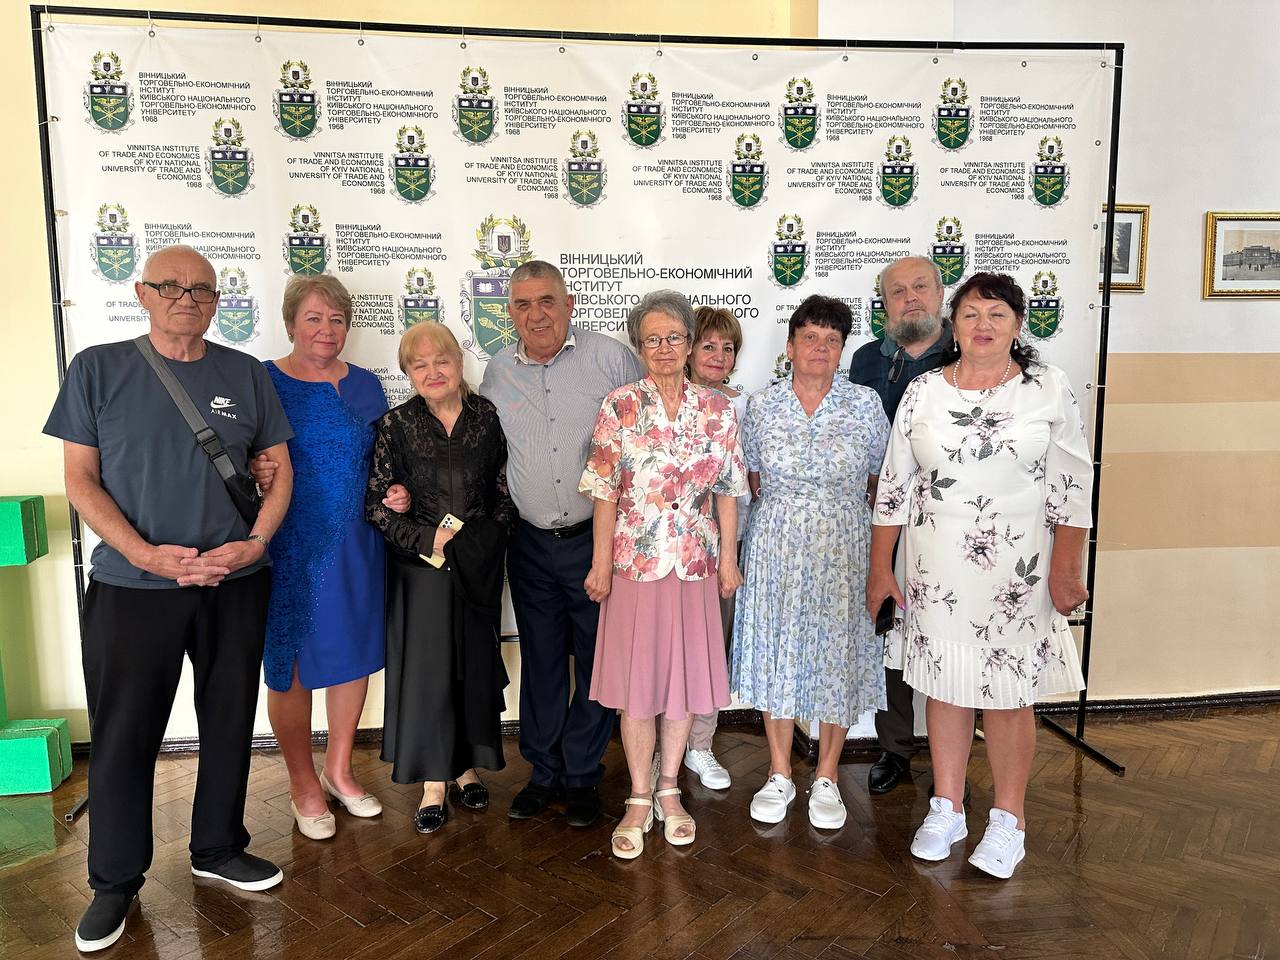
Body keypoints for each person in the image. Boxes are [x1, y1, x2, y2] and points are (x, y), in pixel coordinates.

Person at [43, 245, 293, 953]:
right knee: (125, 735)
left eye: (202, 289)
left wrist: (255, 544)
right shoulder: (97, 368)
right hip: (134, 587)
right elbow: (80, 480)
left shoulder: (245, 374)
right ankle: (114, 882)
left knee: (229, 720)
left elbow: (280, 471)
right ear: (142, 293)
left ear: (217, 301)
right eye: (171, 287)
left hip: (232, 583)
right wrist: (143, 554)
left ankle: (218, 847)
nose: (187, 298)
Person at [867, 272, 1091, 879]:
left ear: (1018, 324)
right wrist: (880, 570)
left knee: (1008, 696)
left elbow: (1073, 487)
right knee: (945, 687)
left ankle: (1008, 820)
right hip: (934, 572)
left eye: (997, 314)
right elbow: (895, 486)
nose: (983, 325)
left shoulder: (1048, 389)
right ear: (953, 324)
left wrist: (1067, 570)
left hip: (1017, 575)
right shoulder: (922, 392)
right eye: (970, 314)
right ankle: (947, 807)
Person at [581, 290, 746, 858]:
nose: (664, 347)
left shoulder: (718, 409)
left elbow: (728, 490)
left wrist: (729, 561)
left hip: (695, 565)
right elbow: (604, 492)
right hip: (634, 566)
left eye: (674, 337)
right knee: (638, 686)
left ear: (691, 343)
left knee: (682, 684)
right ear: (638, 346)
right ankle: (638, 795)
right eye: (652, 339)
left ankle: (670, 789)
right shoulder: (619, 405)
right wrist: (600, 564)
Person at [479, 260, 642, 827]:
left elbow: (643, 442)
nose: (536, 315)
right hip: (528, 543)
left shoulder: (611, 359)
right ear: (509, 313)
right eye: (523, 304)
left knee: (596, 660)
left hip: (595, 541)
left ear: (569, 304)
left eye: (546, 301)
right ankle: (543, 771)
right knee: (543, 659)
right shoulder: (498, 371)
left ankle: (581, 774)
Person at [248, 275, 409, 840]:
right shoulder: (262, 380)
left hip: (359, 544)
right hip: (289, 544)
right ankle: (303, 783)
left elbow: (385, 463)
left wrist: (397, 493)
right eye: (313, 318)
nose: (326, 329)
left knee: (352, 656)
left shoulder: (366, 384)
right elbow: (239, 452)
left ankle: (339, 771)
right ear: (291, 323)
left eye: (336, 319)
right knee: (290, 666)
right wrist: (253, 468)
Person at [732, 295, 888, 830]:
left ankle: (826, 775)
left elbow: (879, 480)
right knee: (776, 653)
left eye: (831, 339)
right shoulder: (762, 405)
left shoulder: (864, 403)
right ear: (790, 345)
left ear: (842, 349)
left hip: (844, 545)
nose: (820, 348)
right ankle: (779, 771)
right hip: (775, 544)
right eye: (810, 337)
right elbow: (752, 477)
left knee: (837, 653)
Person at [366, 322, 514, 833]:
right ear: (408, 373)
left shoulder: (487, 417)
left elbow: (504, 492)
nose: (432, 372)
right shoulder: (395, 425)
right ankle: (434, 782)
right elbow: (376, 505)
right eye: (419, 364)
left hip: (476, 568)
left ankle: (466, 767)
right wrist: (427, 538)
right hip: (421, 572)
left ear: (459, 362)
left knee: (471, 669)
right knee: (430, 675)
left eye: (441, 360)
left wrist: (483, 542)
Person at [847, 255, 953, 796]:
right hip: (884, 521)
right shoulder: (866, 359)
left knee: (953, 636)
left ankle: (952, 761)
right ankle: (895, 749)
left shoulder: (968, 352)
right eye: (897, 291)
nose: (910, 298)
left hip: (951, 520)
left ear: (941, 293)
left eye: (920, 287)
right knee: (889, 629)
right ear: (884, 303)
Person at [683, 305, 751, 790]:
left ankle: (700, 745)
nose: (719, 355)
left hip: (729, 544)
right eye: (708, 345)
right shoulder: (664, 400)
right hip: (674, 548)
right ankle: (663, 744)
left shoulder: (745, 405)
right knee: (671, 649)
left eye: (728, 348)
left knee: (711, 648)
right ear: (688, 350)